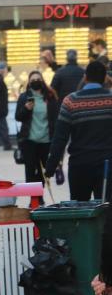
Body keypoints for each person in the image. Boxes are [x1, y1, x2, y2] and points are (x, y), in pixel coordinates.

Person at [45, 61, 112, 201]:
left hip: (80, 166)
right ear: (105, 78)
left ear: (85, 77)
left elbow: (60, 138)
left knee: (80, 212)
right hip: (107, 165)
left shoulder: (71, 101)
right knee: (107, 212)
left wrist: (50, 167)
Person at [15, 71, 57, 184]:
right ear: (29, 82)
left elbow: (55, 118)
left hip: (46, 140)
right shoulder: (24, 97)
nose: (35, 82)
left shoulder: (50, 97)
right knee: (30, 170)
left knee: (43, 171)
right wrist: (26, 109)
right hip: (29, 140)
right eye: (32, 80)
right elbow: (18, 117)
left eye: (38, 79)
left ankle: (39, 194)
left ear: (42, 81)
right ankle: (35, 199)